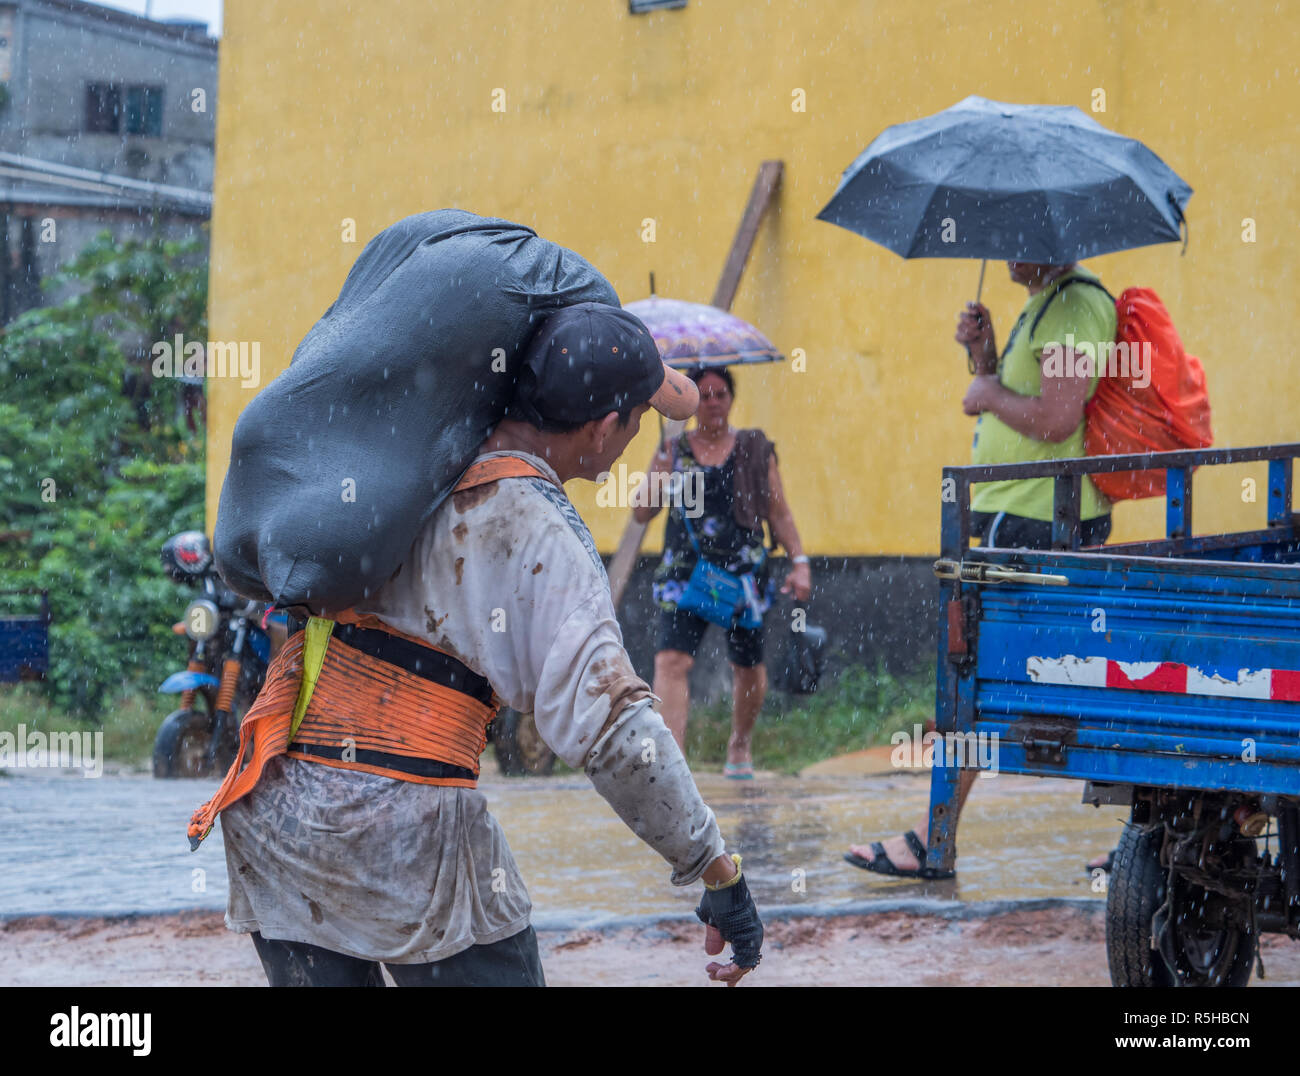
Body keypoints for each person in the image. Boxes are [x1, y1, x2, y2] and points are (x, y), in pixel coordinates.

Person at [189, 302, 764, 985]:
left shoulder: (409, 463)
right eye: (636, 420)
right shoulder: (534, 527)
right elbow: (615, 732)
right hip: (402, 824)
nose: (633, 437)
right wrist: (714, 866)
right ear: (605, 426)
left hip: (277, 812)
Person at [845, 259, 1116, 877]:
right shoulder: (1047, 302)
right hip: (1019, 519)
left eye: (1012, 238)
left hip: (1045, 522)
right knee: (990, 685)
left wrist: (989, 392)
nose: (1002, 249)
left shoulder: (1075, 308)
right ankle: (934, 836)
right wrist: (986, 356)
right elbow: (1028, 406)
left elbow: (1056, 417)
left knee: (981, 684)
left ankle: (932, 840)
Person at [634, 364, 811, 780]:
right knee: (672, 660)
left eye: (720, 394)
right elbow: (642, 511)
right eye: (705, 395)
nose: (713, 402)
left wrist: (799, 561)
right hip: (686, 575)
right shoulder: (672, 450)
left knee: (747, 665)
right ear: (693, 403)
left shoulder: (754, 448)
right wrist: (660, 471)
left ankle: (740, 742)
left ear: (731, 399)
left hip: (741, 576)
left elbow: (778, 510)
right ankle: (674, 761)